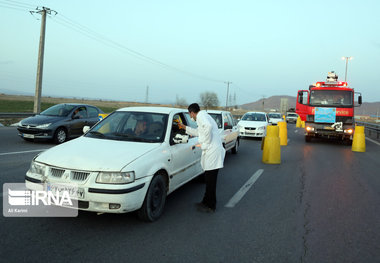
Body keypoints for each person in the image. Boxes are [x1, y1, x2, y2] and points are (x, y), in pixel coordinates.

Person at [178, 103, 225, 213]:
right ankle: (205, 201)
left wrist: (205, 144)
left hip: (212, 152)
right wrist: (185, 127)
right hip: (212, 151)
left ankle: (211, 206)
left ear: (192, 112)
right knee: (209, 179)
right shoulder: (203, 116)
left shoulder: (201, 116)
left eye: (190, 115)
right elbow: (199, 132)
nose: (191, 118)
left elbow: (207, 128)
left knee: (210, 181)